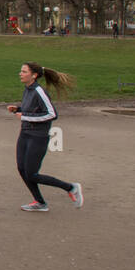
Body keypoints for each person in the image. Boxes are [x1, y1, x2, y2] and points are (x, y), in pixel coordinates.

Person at [7, 62, 83, 212]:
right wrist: (19, 109)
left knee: (32, 174)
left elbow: (51, 114)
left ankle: (71, 187)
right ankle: (40, 202)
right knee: (22, 169)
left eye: (23, 71)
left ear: (34, 75)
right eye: (20, 71)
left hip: (38, 136)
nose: (20, 73)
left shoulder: (39, 91)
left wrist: (25, 116)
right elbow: (34, 110)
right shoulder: (28, 89)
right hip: (25, 133)